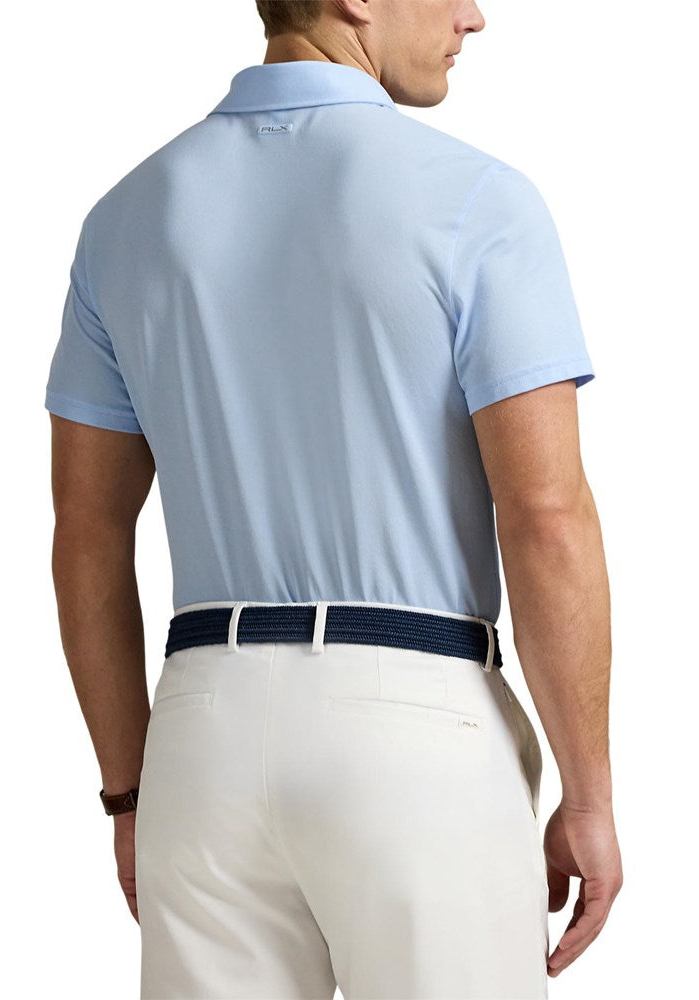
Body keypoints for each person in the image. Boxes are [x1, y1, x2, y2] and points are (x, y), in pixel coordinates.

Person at [44, 1, 622, 996]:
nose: (474, 17)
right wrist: (588, 794)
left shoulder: (127, 217)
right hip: (415, 724)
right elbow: (545, 517)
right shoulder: (475, 200)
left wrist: (131, 793)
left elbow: (87, 532)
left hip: (202, 733)